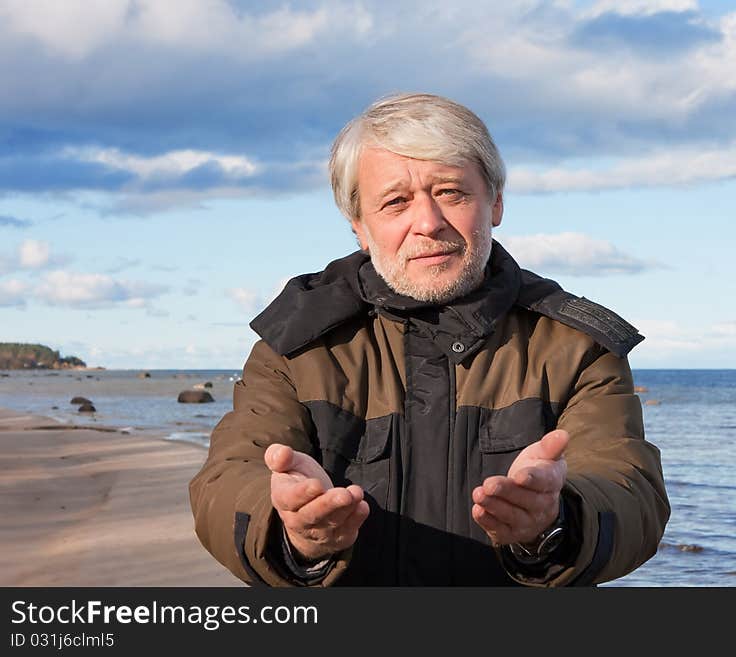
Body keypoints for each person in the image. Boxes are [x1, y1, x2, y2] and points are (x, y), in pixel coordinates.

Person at [189, 92, 670, 586]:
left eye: (451, 193)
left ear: (495, 202)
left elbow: (630, 487)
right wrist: (292, 530)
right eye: (396, 201)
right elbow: (227, 479)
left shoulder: (575, 347)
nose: (427, 222)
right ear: (359, 225)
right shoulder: (295, 348)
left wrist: (555, 522)